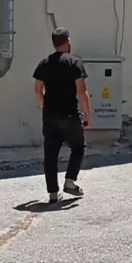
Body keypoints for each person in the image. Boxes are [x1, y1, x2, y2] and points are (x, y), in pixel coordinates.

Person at [33, 27, 92, 204]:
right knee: (78, 146)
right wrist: (87, 114)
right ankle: (70, 181)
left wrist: (43, 105)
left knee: (50, 153)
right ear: (67, 41)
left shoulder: (44, 63)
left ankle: (53, 193)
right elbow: (82, 91)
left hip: (49, 116)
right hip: (69, 115)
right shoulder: (74, 63)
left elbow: (38, 89)